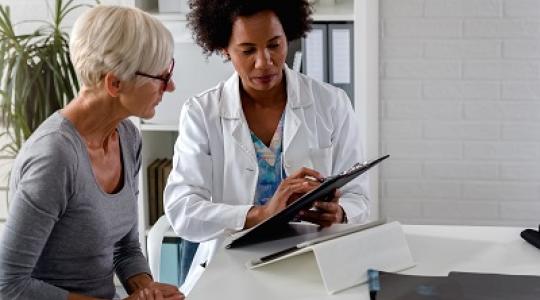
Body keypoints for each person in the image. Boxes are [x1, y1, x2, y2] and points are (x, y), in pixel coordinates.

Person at [164, 0, 369, 287]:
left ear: (288, 35)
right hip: (231, 268)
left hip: (315, 263)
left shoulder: (332, 104)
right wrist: (258, 214)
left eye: (274, 45)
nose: (265, 62)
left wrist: (341, 211)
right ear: (224, 48)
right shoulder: (201, 113)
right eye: (248, 50)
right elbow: (182, 209)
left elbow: (359, 197)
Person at [0, 6, 184, 300]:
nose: (170, 86)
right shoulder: (55, 158)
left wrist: (148, 290)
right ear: (114, 83)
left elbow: (125, 247)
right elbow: (8, 285)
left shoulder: (127, 138)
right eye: (161, 76)